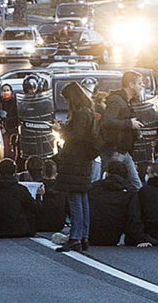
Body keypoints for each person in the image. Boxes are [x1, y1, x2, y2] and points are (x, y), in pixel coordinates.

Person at [54, 82, 98, 252]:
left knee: (75, 199)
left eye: (66, 99)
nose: (66, 103)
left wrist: (61, 129)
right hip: (84, 159)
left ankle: (75, 237)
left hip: (75, 160)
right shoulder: (88, 112)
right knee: (82, 198)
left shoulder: (80, 114)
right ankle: (84, 235)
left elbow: (76, 137)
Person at [100, 70, 145, 190]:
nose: (142, 86)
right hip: (115, 151)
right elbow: (107, 121)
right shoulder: (116, 100)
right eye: (139, 84)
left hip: (124, 151)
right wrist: (129, 123)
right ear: (131, 84)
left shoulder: (127, 101)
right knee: (111, 185)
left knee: (137, 184)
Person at [0, 159, 42, 238]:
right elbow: (34, 208)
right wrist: (39, 196)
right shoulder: (21, 190)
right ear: (14, 171)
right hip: (18, 230)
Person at [88, 161, 147, 246]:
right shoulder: (130, 191)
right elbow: (133, 216)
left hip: (90, 233)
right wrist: (140, 239)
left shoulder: (94, 187)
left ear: (107, 173)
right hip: (113, 235)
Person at [37, 159, 67, 232]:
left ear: (42, 172)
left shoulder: (38, 185)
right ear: (56, 173)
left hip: (40, 224)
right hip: (59, 224)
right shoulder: (62, 186)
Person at [0, 84, 19, 162]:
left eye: (7, 90)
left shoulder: (15, 103)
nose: (6, 92)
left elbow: (17, 117)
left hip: (13, 130)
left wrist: (8, 123)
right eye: (4, 90)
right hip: (3, 131)